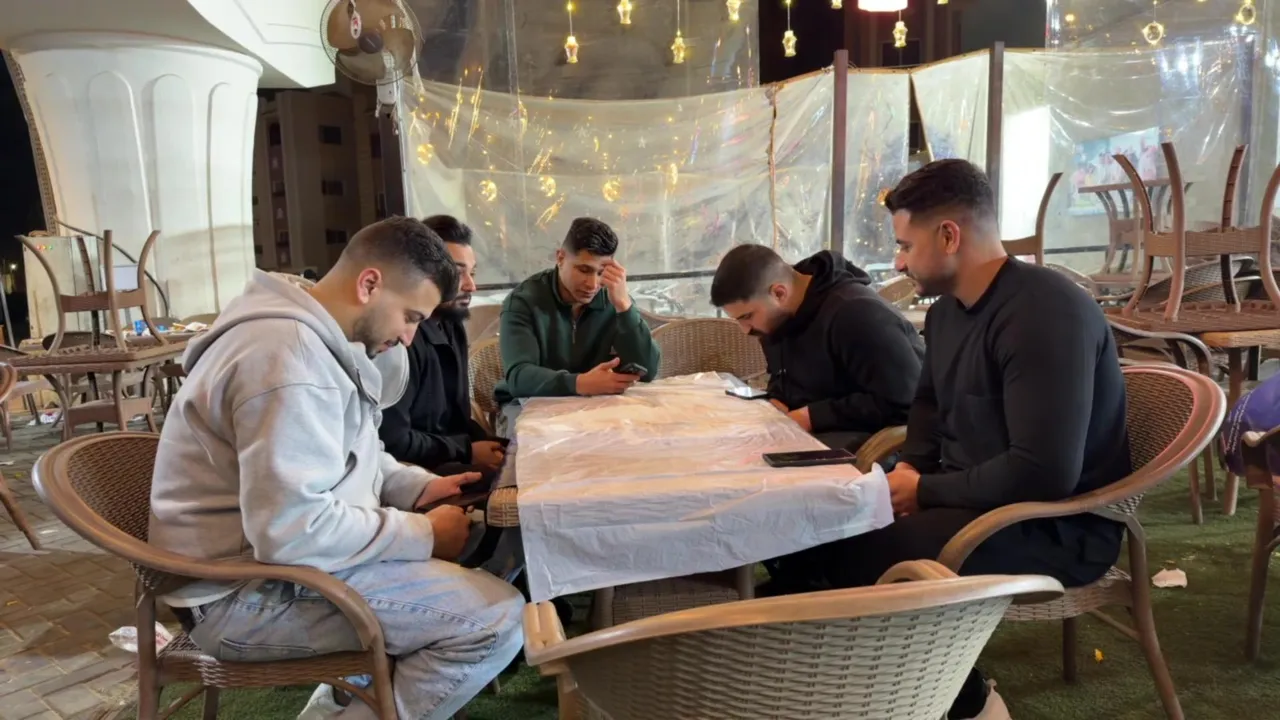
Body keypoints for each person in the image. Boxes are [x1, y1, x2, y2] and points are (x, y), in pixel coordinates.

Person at [773, 160, 1132, 719]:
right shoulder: (946, 316)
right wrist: (909, 472)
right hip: (971, 500)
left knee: (857, 553)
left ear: (948, 236)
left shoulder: (1044, 313)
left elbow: (1044, 472)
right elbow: (927, 409)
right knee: (806, 529)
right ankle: (832, 686)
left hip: (1054, 524)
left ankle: (972, 704)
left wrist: (924, 492)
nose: (898, 262)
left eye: (905, 245)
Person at [149, 216, 524, 720]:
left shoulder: (312, 339)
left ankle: (340, 704)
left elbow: (352, 452)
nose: (409, 337)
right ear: (369, 284)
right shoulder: (288, 359)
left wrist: (414, 487)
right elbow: (290, 531)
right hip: (239, 596)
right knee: (495, 619)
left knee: (485, 571)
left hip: (273, 570)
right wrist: (423, 534)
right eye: (410, 316)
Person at [709, 244, 924, 451]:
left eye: (747, 316)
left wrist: (812, 416)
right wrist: (777, 399)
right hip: (811, 433)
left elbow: (905, 401)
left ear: (779, 293)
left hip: (874, 446)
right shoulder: (778, 320)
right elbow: (784, 375)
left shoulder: (856, 314)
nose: (745, 330)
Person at [493, 217, 661, 428]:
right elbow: (519, 378)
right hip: (527, 405)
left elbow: (649, 371)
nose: (592, 284)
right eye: (584, 270)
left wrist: (624, 307)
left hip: (593, 405)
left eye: (601, 272)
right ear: (560, 258)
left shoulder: (612, 298)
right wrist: (580, 383)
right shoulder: (523, 301)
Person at [380, 216, 505, 475]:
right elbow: (393, 443)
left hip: (451, 456)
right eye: (457, 273)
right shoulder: (397, 340)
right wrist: (467, 451)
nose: (471, 285)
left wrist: (494, 444)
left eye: (472, 273)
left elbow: (458, 419)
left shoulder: (452, 326)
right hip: (413, 474)